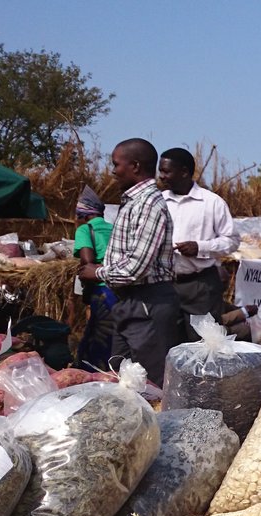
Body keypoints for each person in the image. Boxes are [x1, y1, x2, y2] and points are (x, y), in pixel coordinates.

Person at [81, 138, 182, 384]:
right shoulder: (133, 203)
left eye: (117, 164)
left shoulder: (149, 205)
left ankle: (161, 423)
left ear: (135, 166)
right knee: (123, 378)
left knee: (152, 384)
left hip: (147, 302)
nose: (113, 171)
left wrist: (98, 273)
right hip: (130, 302)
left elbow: (137, 267)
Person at [157, 147, 239, 338]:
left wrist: (200, 247)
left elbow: (232, 241)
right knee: (167, 343)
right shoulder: (159, 201)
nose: (161, 176)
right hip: (164, 285)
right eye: (160, 171)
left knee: (202, 344)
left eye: (166, 171)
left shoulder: (211, 202)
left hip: (200, 286)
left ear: (184, 172)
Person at [71, 186, 116, 368]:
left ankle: (95, 373)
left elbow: (87, 260)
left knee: (99, 335)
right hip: (120, 287)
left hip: (101, 290)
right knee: (114, 336)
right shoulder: (114, 228)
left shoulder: (84, 230)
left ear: (84, 214)